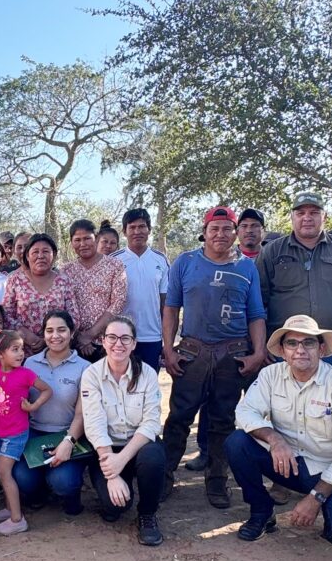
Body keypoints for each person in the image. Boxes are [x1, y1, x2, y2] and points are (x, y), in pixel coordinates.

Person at [225, 315, 332, 547]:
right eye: (292, 343)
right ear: (282, 350)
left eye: (308, 343)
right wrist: (275, 439)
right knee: (237, 443)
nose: (300, 350)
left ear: (321, 348)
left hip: (330, 471)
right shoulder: (270, 375)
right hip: (289, 464)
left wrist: (316, 498)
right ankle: (262, 511)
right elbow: (245, 413)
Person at [161, 206, 267, 508]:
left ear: (235, 233)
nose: (220, 234)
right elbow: (172, 308)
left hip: (232, 354)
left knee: (223, 419)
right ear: (205, 232)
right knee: (179, 417)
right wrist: (169, 349)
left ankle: (217, 480)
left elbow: (256, 313)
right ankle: (165, 475)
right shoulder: (185, 262)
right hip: (193, 351)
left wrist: (258, 352)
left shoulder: (247, 268)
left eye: (226, 229)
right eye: (214, 229)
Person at [256, 191, 332, 366]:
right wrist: (262, 344)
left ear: (324, 216)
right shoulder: (271, 251)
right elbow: (257, 303)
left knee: (331, 394)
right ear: (292, 217)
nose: (307, 218)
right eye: (301, 213)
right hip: (284, 350)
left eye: (314, 213)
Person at [82, 317, 166, 546]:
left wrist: (121, 461)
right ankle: (116, 486)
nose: (118, 344)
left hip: (137, 445)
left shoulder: (147, 374)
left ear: (134, 343)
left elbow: (151, 423)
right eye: (112, 337)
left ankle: (147, 514)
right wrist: (112, 471)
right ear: (103, 341)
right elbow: (94, 423)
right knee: (115, 506)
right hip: (106, 448)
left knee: (154, 456)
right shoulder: (91, 375)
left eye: (125, 338)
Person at [15, 310, 91, 515]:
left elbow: (81, 415)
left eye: (61, 330)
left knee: (63, 481)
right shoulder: (30, 363)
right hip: (34, 433)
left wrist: (68, 442)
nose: (55, 336)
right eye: (49, 330)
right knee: (22, 478)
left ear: (72, 332)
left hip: (68, 434)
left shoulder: (86, 368)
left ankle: (69, 495)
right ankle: (38, 494)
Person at [0, 331, 53, 535]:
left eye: (21, 349)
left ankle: (17, 519)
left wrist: (33, 407)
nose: (20, 354)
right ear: (0, 353)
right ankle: (9, 508)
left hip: (16, 432)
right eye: (14, 349)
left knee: (3, 473)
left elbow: (48, 390)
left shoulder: (26, 374)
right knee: (1, 472)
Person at [62, 219, 128, 361]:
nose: (82, 244)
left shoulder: (115, 266)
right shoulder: (66, 270)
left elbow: (118, 302)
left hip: (107, 343)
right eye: (77, 240)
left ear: (96, 238)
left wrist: (90, 334)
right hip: (73, 344)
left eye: (87, 238)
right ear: (71, 242)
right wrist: (79, 336)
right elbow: (62, 306)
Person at [3, 233, 80, 355]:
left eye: (45, 251)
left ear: (53, 255)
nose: (40, 256)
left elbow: (74, 317)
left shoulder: (64, 280)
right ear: (27, 256)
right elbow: (6, 315)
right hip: (23, 351)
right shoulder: (15, 280)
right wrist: (26, 336)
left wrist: (48, 339)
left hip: (57, 349)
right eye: (35, 252)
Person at [112, 208, 168, 371]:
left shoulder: (160, 259)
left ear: (149, 230)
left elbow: (165, 303)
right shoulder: (114, 260)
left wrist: (167, 341)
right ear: (124, 231)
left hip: (152, 337)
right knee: (121, 387)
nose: (137, 231)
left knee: (148, 388)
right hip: (121, 337)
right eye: (132, 227)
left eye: (142, 227)